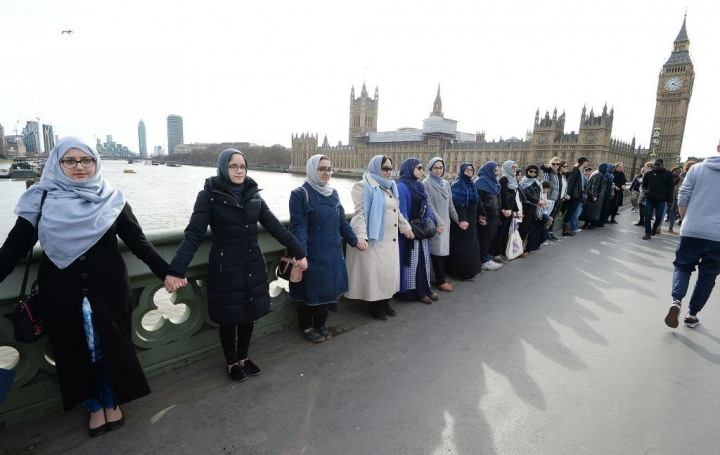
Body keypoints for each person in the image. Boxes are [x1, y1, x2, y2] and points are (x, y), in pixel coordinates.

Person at [0, 137, 170, 437]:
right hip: (60, 293)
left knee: (110, 348)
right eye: (70, 160)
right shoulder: (40, 200)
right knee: (72, 351)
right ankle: (93, 406)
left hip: (109, 291)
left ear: (96, 162)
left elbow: (139, 242)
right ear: (57, 164)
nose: (79, 167)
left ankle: (111, 400)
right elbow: (14, 248)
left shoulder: (112, 198)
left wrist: (168, 273)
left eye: (86, 160)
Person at [166, 149, 307, 381]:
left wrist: (300, 252)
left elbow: (275, 227)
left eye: (242, 166)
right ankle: (231, 362)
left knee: (249, 314)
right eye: (233, 166)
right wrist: (175, 270)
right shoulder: (209, 196)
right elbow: (193, 235)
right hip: (225, 268)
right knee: (229, 318)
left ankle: (243, 358)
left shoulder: (253, 195)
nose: (239, 171)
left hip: (252, 265)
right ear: (223, 168)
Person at [289, 155, 360, 343]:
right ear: (313, 170)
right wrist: (301, 253)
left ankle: (320, 324)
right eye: (322, 169)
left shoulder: (333, 193)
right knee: (308, 291)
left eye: (329, 169)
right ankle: (306, 326)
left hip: (332, 253)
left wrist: (354, 241)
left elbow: (342, 222)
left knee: (328, 289)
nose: (327, 173)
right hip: (311, 253)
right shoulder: (299, 194)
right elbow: (299, 226)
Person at [345, 155, 413, 320]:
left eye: (390, 168)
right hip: (374, 237)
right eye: (385, 168)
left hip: (390, 238)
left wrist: (406, 228)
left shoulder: (390, 186)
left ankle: (386, 302)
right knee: (375, 274)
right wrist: (361, 236)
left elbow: (396, 211)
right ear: (375, 168)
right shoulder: (362, 186)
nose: (389, 172)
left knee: (387, 273)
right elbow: (360, 213)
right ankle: (375, 306)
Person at [664, 141, 720, 329]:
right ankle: (692, 314)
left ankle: (676, 300)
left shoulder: (696, 169)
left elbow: (683, 196)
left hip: (692, 229)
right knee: (708, 276)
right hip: (718, 236)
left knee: (682, 266)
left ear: (718, 148)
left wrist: (686, 220)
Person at [397, 158, 439, 303]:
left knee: (423, 260)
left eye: (422, 168)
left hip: (422, 228)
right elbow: (402, 211)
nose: (422, 170)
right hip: (411, 230)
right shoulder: (401, 186)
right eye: (418, 168)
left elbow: (427, 207)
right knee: (413, 261)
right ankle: (414, 292)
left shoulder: (419, 185)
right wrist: (407, 229)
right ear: (409, 168)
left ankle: (425, 289)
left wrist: (434, 223)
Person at [423, 157, 460, 291]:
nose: (438, 170)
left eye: (440, 168)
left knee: (442, 251)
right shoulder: (426, 183)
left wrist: (458, 220)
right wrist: (439, 222)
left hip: (445, 223)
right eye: (435, 168)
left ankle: (440, 278)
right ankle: (440, 281)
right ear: (430, 168)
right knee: (437, 252)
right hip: (435, 223)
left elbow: (450, 205)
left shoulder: (445, 184)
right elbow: (429, 206)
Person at [447, 162, 482, 279]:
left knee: (470, 246)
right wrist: (462, 220)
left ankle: (469, 271)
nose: (469, 172)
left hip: (471, 218)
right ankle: (458, 272)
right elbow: (457, 204)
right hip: (461, 219)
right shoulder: (458, 184)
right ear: (462, 171)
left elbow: (476, 201)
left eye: (471, 170)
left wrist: (482, 214)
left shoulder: (471, 183)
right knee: (460, 246)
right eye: (467, 170)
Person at [475, 162, 503, 271]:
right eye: (495, 170)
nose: (497, 172)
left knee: (491, 237)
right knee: (485, 238)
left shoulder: (494, 182)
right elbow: (478, 201)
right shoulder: (481, 182)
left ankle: (488, 257)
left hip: (494, 214)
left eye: (498, 170)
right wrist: (480, 215)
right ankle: (484, 260)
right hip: (485, 215)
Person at [641, 158, 674, 240]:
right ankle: (647, 233)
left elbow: (671, 188)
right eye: (655, 165)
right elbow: (643, 185)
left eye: (658, 165)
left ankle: (655, 227)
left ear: (662, 165)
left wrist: (669, 201)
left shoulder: (669, 174)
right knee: (647, 216)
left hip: (661, 199)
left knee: (659, 217)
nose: (656, 166)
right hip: (649, 198)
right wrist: (646, 191)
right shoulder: (648, 174)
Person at [494, 160, 521, 260]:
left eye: (515, 167)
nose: (514, 169)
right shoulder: (504, 179)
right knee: (500, 232)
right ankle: (496, 253)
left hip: (510, 210)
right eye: (512, 167)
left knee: (505, 232)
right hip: (505, 211)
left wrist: (516, 210)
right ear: (507, 168)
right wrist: (506, 208)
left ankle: (501, 252)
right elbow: (502, 195)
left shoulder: (512, 179)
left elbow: (513, 196)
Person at [518, 165, 544, 253]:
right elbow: (526, 194)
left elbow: (539, 194)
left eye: (535, 172)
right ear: (527, 172)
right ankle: (518, 248)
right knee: (523, 227)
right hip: (525, 207)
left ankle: (526, 246)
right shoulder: (523, 182)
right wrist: (538, 201)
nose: (533, 173)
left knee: (530, 228)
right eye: (531, 171)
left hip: (534, 207)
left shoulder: (537, 182)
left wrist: (541, 201)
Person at [564, 156, 589, 234]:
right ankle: (565, 230)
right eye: (586, 162)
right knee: (570, 212)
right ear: (583, 162)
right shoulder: (575, 171)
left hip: (578, 195)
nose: (587, 163)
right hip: (573, 195)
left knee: (572, 212)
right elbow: (570, 183)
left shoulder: (580, 171)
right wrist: (568, 193)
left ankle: (568, 229)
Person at [581, 163, 608, 230]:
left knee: (590, 210)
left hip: (595, 195)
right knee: (592, 210)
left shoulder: (597, 173)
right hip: (595, 196)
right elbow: (594, 186)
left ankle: (587, 223)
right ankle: (589, 224)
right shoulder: (598, 174)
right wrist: (594, 195)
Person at [528, 181, 553, 251]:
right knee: (537, 231)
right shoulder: (539, 193)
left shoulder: (543, 193)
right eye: (547, 189)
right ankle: (532, 246)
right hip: (539, 215)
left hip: (540, 214)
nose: (547, 191)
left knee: (538, 231)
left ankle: (534, 245)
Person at [634, 161, 654, 227]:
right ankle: (645, 222)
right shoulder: (654, 173)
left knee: (641, 206)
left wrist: (640, 181)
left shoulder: (647, 173)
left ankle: (641, 222)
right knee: (647, 208)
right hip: (650, 192)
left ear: (649, 167)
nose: (644, 168)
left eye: (645, 166)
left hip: (644, 192)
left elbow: (644, 182)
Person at [666, 166, 683, 233]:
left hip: (676, 197)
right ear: (672, 171)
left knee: (673, 212)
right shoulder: (668, 178)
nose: (678, 173)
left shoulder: (682, 179)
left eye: (679, 172)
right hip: (668, 197)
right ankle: (658, 227)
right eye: (676, 171)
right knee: (663, 212)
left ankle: (671, 227)